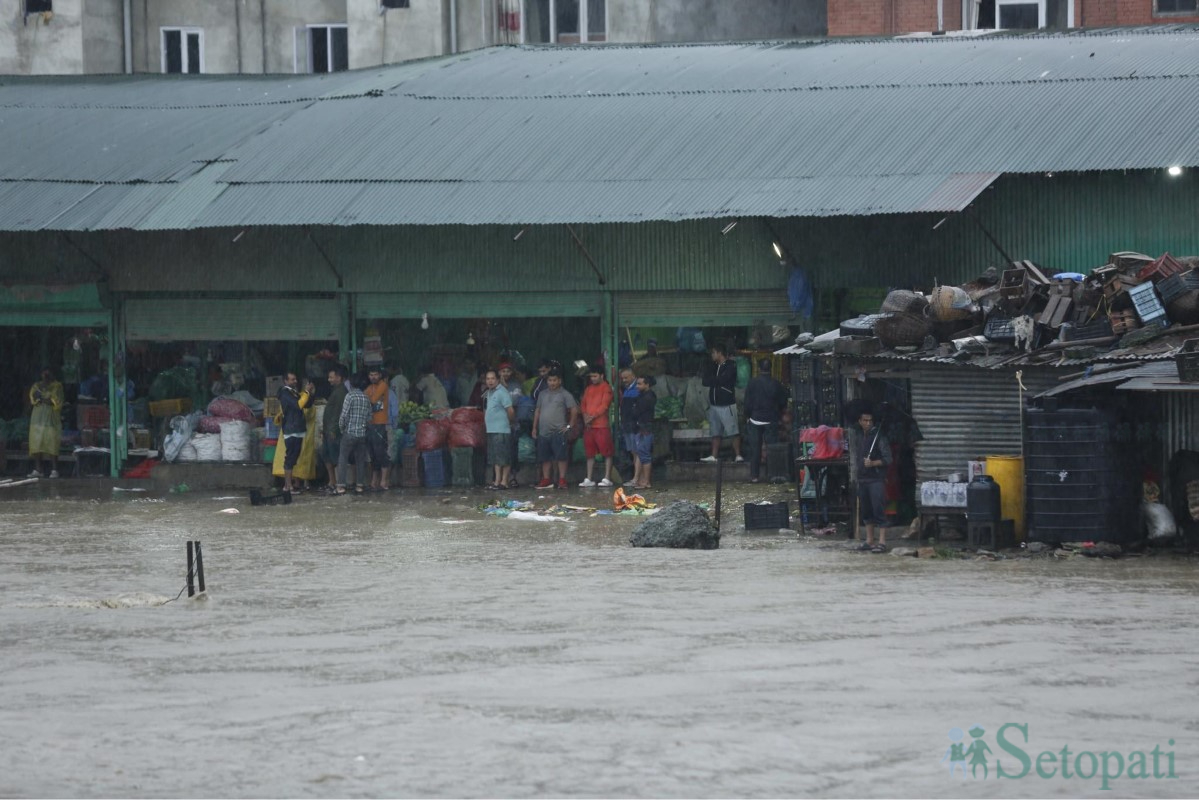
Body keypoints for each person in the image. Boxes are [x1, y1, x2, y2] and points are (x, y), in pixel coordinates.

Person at [743, 358, 790, 483]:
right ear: (771, 369)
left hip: (755, 419)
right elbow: (782, 402)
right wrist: (778, 414)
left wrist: (747, 415)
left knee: (755, 449)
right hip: (771, 419)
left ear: (759, 369)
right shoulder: (776, 384)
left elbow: (747, 402)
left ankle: (754, 476)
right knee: (772, 449)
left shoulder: (752, 383)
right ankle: (772, 475)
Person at [851, 409, 892, 552]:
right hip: (862, 479)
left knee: (878, 509)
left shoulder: (879, 437)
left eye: (870, 421)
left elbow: (888, 459)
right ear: (860, 422)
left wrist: (873, 463)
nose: (868, 423)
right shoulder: (858, 436)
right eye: (865, 420)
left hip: (876, 479)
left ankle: (882, 542)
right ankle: (869, 541)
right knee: (866, 511)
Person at [532, 367, 579, 490]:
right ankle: (547, 479)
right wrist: (534, 428)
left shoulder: (565, 394)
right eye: (550, 380)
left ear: (560, 381)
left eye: (554, 380)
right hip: (543, 431)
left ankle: (562, 479)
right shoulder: (542, 394)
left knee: (561, 457)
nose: (552, 383)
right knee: (544, 457)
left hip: (559, 431)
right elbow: (537, 411)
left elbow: (574, 410)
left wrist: (570, 425)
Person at [273, 377, 317, 491]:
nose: (295, 381)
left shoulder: (293, 393)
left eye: (295, 379)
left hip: (297, 429)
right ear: (285, 381)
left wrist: (310, 394)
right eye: (292, 380)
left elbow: (307, 404)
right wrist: (306, 392)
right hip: (291, 429)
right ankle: (288, 486)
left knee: (294, 457)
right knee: (290, 457)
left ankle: (289, 485)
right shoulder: (285, 393)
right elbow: (298, 405)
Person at [701, 343, 742, 463]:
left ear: (719, 353)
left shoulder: (730, 365)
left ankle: (738, 455)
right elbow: (705, 381)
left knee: (733, 430)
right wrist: (716, 381)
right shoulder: (713, 366)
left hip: (726, 404)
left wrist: (714, 381)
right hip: (714, 405)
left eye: (713, 352)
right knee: (715, 432)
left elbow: (724, 379)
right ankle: (714, 455)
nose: (712, 355)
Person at [578, 365, 616, 488]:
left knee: (607, 452)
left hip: (601, 425)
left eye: (595, 376)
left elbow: (605, 405)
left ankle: (607, 477)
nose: (593, 379)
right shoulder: (588, 389)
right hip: (589, 426)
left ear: (602, 376)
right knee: (589, 453)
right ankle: (589, 478)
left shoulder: (607, 388)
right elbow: (583, 404)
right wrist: (585, 416)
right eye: (591, 376)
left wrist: (590, 417)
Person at [337, 378, 371, 496]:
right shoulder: (366, 398)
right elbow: (369, 417)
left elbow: (344, 415)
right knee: (360, 460)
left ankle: (341, 486)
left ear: (351, 384)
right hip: (361, 434)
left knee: (343, 458)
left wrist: (342, 429)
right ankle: (359, 486)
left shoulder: (349, 396)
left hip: (349, 433)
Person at [483, 368, 516, 491]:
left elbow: (510, 410)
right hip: (491, 430)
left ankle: (504, 481)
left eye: (492, 378)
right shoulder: (489, 392)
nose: (490, 381)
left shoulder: (502, 392)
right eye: (488, 379)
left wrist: (511, 422)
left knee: (504, 457)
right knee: (496, 458)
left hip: (502, 429)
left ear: (497, 380)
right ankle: (497, 481)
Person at [27, 369, 64, 478]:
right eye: (44, 373)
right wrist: (43, 398)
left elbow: (56, 401)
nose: (46, 375)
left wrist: (43, 398)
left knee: (52, 443)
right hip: (37, 419)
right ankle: (38, 470)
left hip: (51, 419)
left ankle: (54, 470)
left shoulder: (57, 386)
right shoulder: (36, 385)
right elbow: (33, 398)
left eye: (48, 373)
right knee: (36, 444)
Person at [321, 365, 348, 494]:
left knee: (335, 457)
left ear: (339, 377)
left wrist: (333, 430)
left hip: (333, 431)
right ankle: (332, 481)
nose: (329, 380)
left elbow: (338, 414)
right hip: (328, 430)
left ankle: (339, 482)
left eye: (331, 377)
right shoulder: (336, 391)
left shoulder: (341, 392)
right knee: (325, 454)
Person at [364, 367, 391, 491]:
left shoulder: (383, 385)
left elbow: (373, 400)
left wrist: (369, 398)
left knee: (380, 451)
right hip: (370, 423)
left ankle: (384, 480)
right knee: (372, 453)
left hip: (380, 423)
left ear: (380, 375)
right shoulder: (370, 388)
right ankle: (374, 480)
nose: (373, 377)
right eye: (371, 374)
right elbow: (366, 399)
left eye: (375, 374)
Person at [630, 375, 657, 489]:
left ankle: (646, 481)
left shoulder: (648, 397)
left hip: (645, 428)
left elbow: (637, 411)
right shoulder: (643, 396)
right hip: (642, 428)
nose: (637, 386)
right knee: (642, 454)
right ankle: (643, 480)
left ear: (647, 385)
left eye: (640, 384)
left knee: (644, 455)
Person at [618, 367, 640, 487]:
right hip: (627, 425)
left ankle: (636, 478)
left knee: (637, 452)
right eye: (623, 378)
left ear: (633, 376)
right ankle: (636, 477)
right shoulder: (627, 390)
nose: (624, 380)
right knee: (633, 452)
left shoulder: (637, 388)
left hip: (634, 425)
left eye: (626, 377)